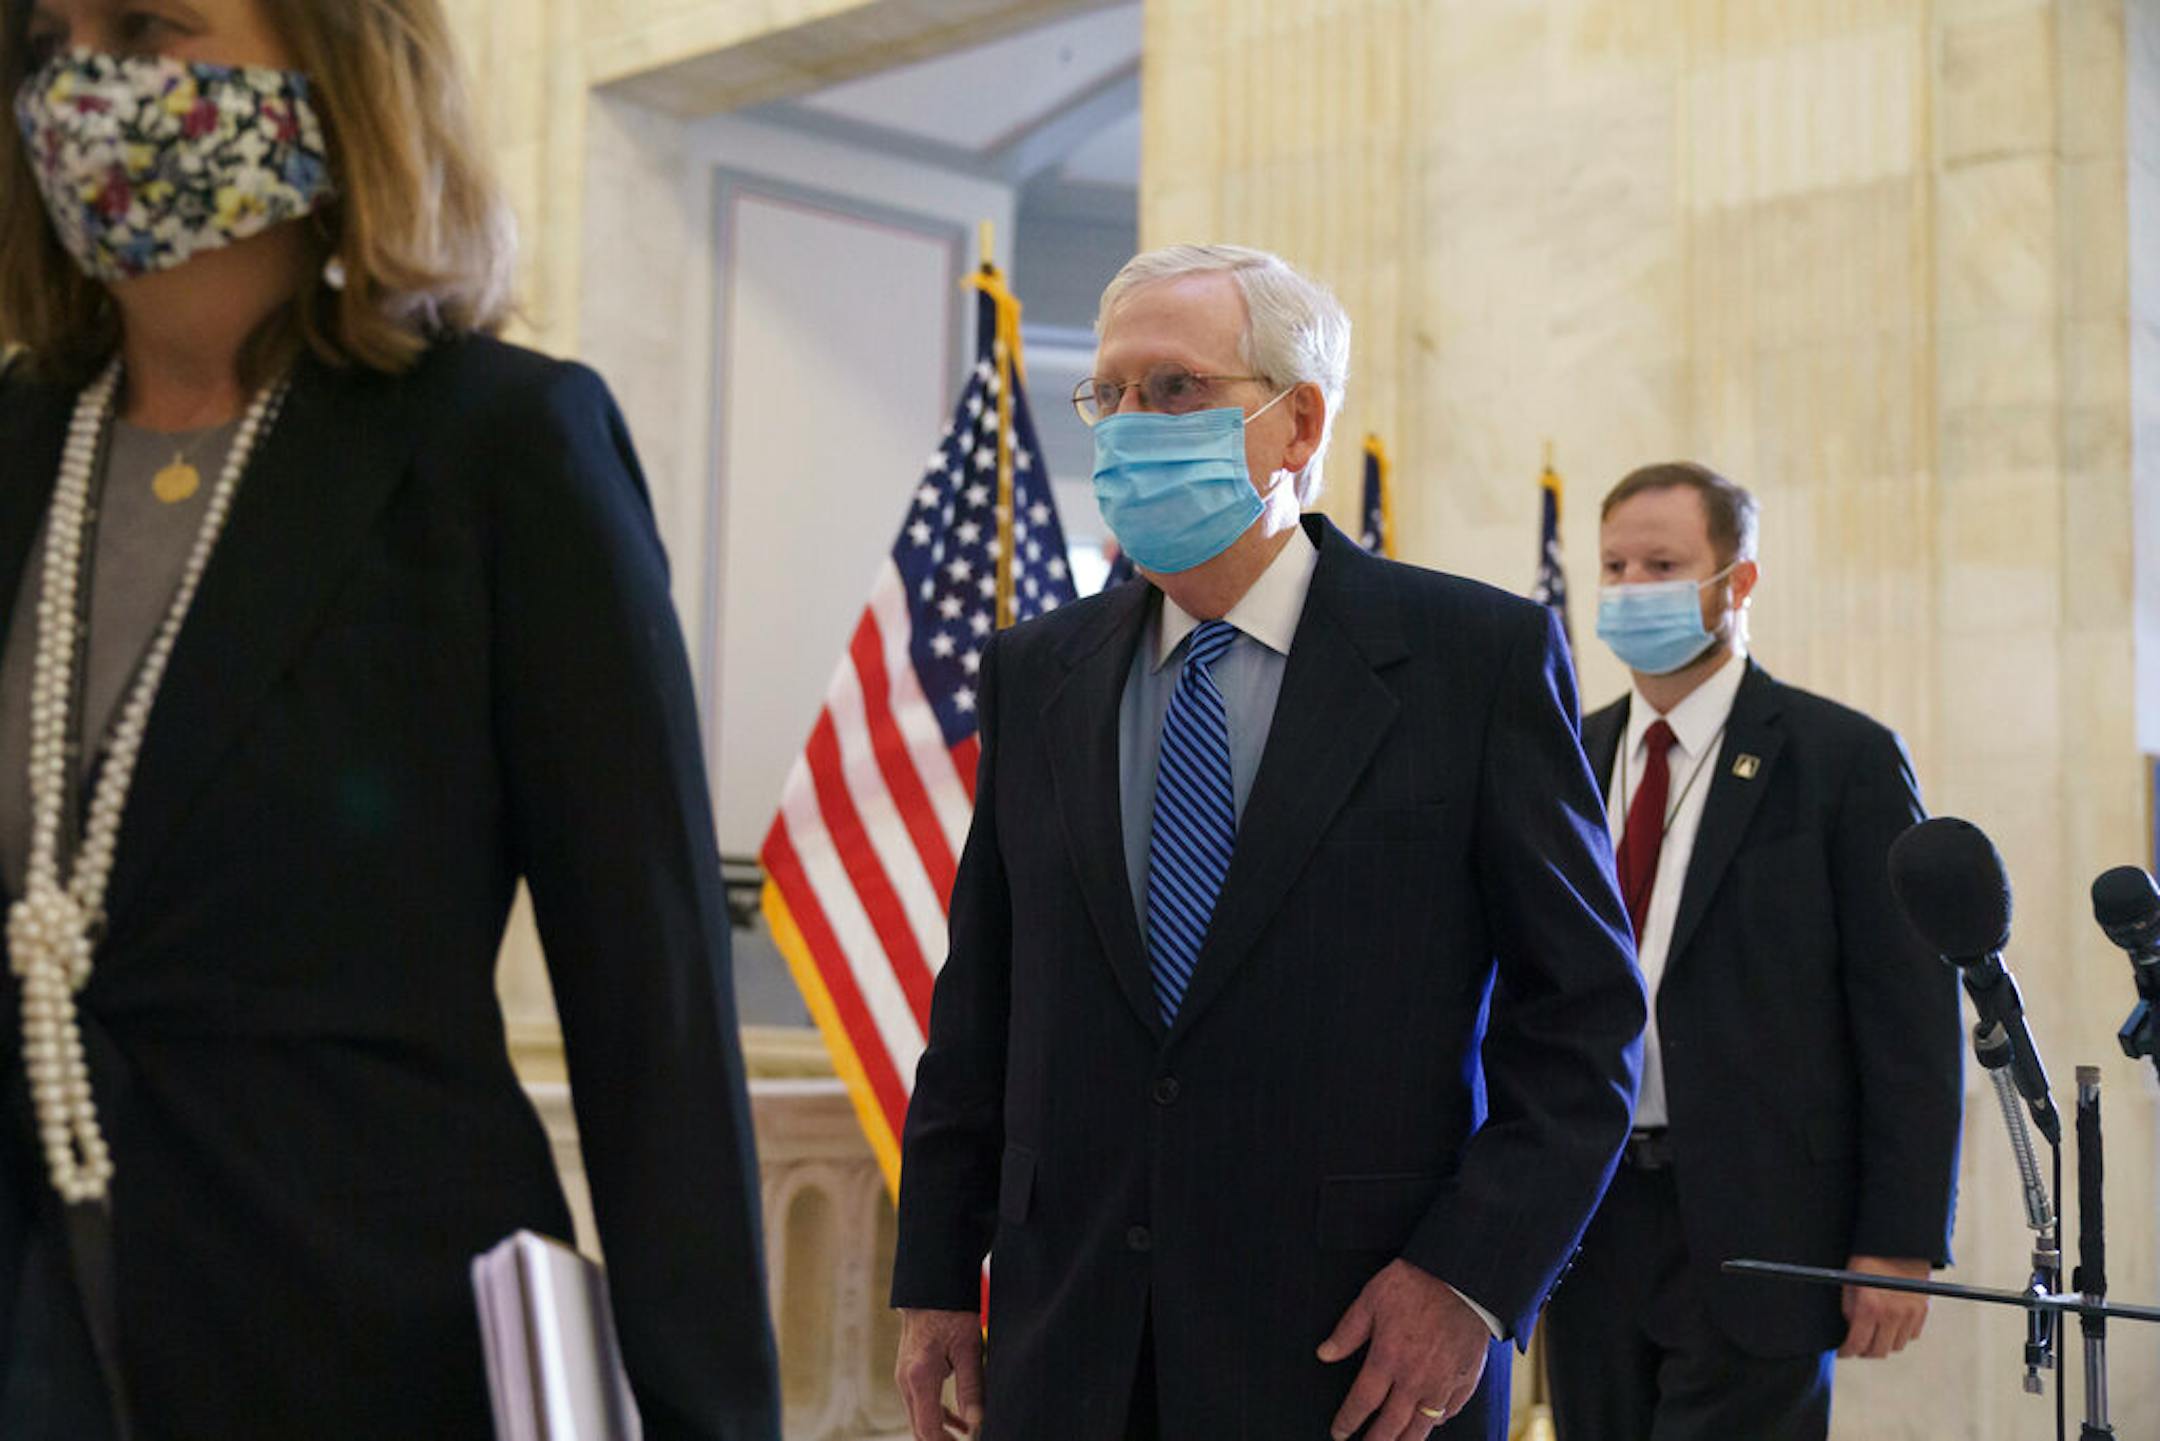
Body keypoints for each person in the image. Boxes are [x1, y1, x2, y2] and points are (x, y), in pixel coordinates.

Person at [0, 2, 780, 1437]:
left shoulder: (501, 448)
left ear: (338, 66)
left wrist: (708, 1416)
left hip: (362, 1351)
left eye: (151, 26)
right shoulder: (17, 448)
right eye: (51, 42)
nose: (86, 84)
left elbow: (651, 1013)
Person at [889, 243, 1646, 1441]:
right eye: (1111, 393)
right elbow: (980, 1004)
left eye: (1176, 389)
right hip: (1069, 1342)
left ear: (1298, 426)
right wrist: (933, 1279)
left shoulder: (1473, 662)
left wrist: (1468, 1279)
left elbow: (1586, 1018)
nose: (1130, 423)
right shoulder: (1038, 671)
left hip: (1356, 1357)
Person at [1541, 463, 1962, 1440]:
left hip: (1761, 1218)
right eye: (1614, 565)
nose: (1632, 586)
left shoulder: (1839, 758)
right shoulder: (1566, 748)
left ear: (1738, 581)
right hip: (1586, 1215)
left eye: (1663, 563)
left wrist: (1898, 1242)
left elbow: (1905, 1013)